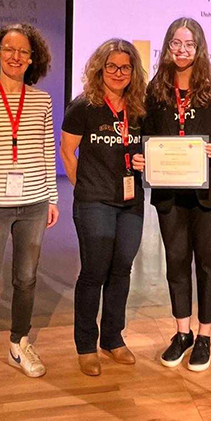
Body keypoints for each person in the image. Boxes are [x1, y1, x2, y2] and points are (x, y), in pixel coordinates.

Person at [133, 17, 211, 372]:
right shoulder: (155, 89)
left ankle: (205, 335)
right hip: (170, 193)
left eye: (189, 44)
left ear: (200, 47)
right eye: (176, 44)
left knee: (208, 264)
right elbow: (145, 136)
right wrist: (141, 156)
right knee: (176, 263)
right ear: (167, 46)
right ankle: (182, 333)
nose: (182, 50)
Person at [0, 24, 59, 395]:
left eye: (23, 51)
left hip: (33, 204)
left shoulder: (41, 101)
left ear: (33, 59)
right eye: (8, 49)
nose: (16, 56)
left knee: (26, 280)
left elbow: (46, 152)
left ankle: (19, 343)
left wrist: (51, 197)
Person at [61, 39, 147, 377]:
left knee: (121, 270)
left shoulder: (139, 108)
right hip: (94, 201)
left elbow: (147, 149)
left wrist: (145, 162)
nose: (118, 73)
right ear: (100, 68)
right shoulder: (83, 106)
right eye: (111, 66)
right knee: (94, 271)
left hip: (131, 203)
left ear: (133, 72)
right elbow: (68, 153)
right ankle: (85, 344)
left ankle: (113, 338)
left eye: (125, 67)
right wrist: (82, 187)